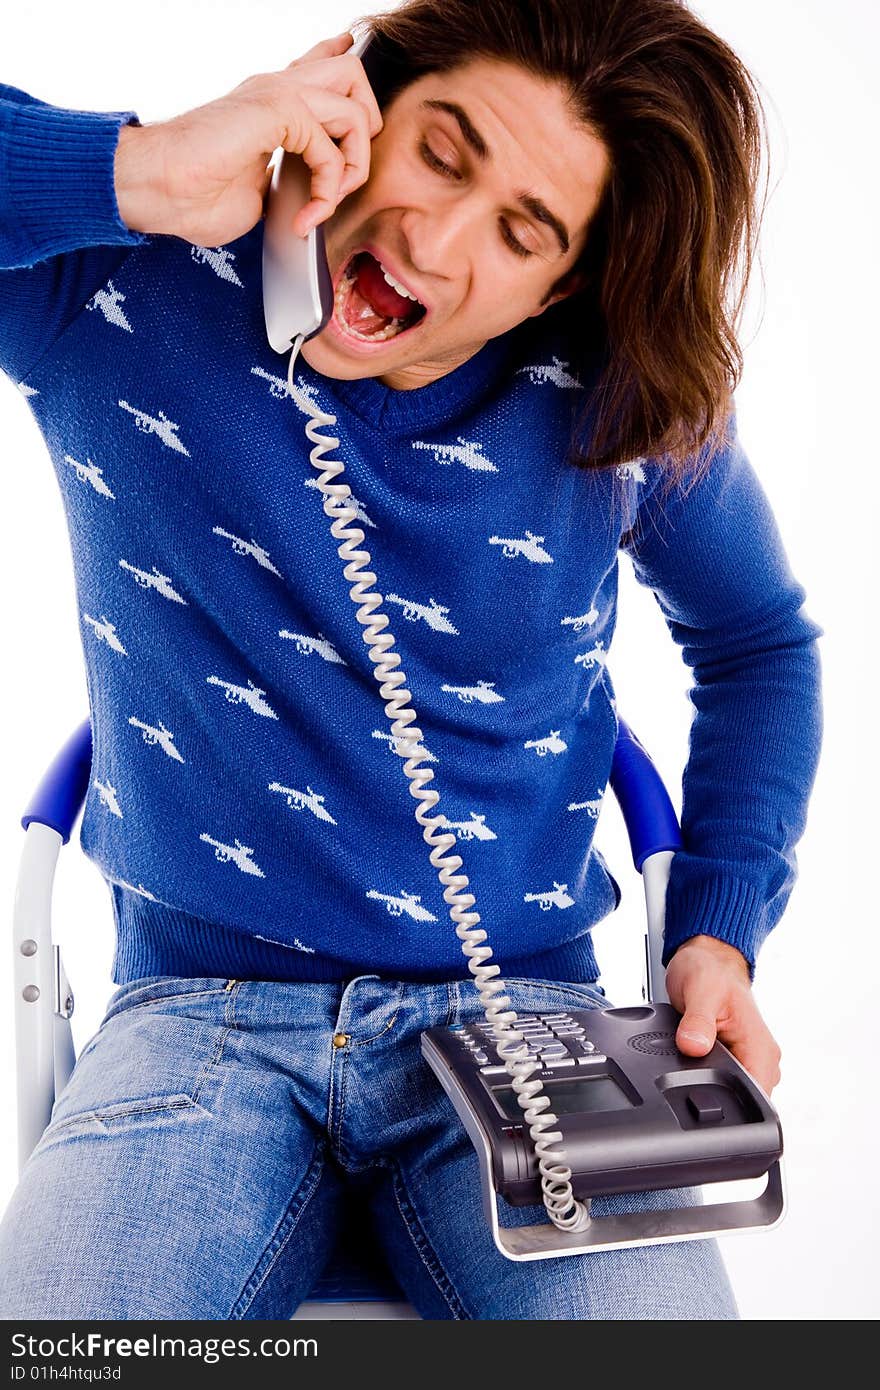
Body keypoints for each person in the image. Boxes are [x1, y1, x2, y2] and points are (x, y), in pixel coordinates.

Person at [0, 0, 822, 1320]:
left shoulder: (613, 397)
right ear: (359, 104)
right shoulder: (117, 284)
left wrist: (720, 926)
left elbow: (761, 643)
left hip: (528, 1032)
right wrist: (147, 166)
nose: (435, 243)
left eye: (522, 230)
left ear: (557, 285)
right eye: (444, 150)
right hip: (193, 1018)